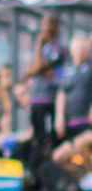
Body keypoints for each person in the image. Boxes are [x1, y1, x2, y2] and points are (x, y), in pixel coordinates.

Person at [52, 35, 92, 190]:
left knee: (83, 143)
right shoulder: (68, 71)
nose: (82, 52)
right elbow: (61, 94)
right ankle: (84, 179)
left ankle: (89, 176)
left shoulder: (89, 68)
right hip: (72, 127)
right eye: (79, 49)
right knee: (58, 157)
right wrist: (59, 118)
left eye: (84, 49)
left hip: (87, 126)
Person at [23, 14, 64, 147]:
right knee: (37, 136)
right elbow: (29, 71)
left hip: (49, 99)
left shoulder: (57, 49)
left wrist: (39, 46)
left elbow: (38, 66)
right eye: (44, 24)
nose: (45, 28)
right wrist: (36, 68)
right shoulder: (42, 49)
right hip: (36, 98)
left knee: (49, 137)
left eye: (49, 24)